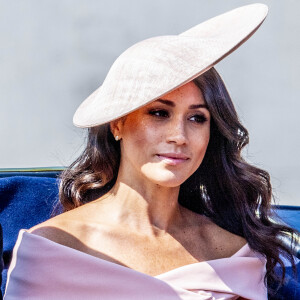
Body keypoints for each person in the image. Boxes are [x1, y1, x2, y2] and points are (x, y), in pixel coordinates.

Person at [4, 4, 298, 300]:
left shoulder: (235, 254)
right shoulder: (52, 249)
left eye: (197, 118)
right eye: (159, 113)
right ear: (117, 125)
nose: (179, 136)